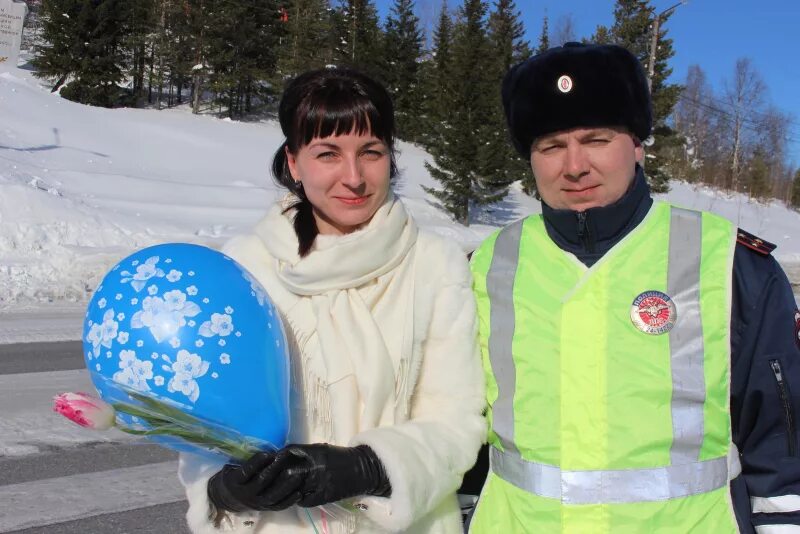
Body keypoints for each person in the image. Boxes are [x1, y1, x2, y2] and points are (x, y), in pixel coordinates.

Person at [468, 42, 800, 533]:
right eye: (551, 146)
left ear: (638, 143)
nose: (574, 165)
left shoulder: (728, 261)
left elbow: (779, 435)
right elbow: (463, 426)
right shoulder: (486, 265)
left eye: (596, 139)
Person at [178, 67, 486, 534]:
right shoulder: (248, 268)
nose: (354, 177)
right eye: (328, 154)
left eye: (371, 153)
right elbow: (207, 425)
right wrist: (223, 490)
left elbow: (456, 420)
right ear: (295, 162)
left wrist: (370, 468)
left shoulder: (434, 265)